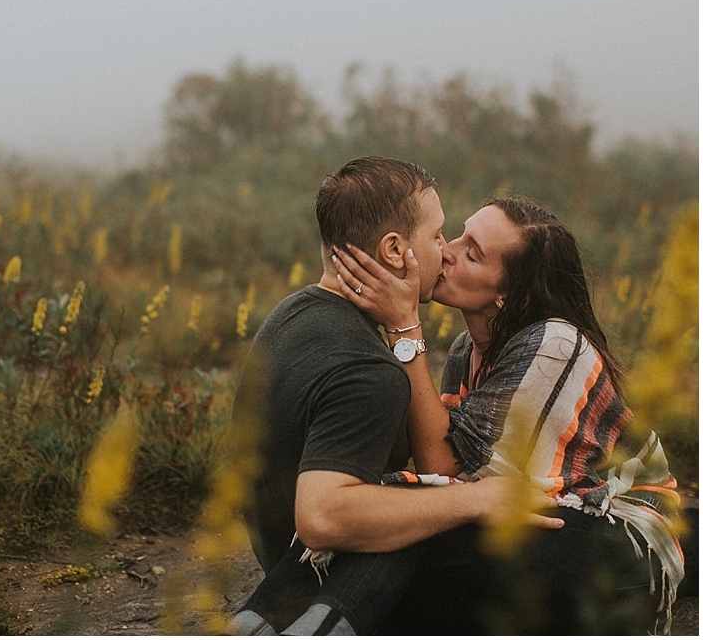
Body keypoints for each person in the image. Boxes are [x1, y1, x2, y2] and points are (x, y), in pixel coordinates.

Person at [323, 196, 691, 633]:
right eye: (456, 235)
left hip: (625, 538)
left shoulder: (555, 346)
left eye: (472, 253)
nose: (446, 250)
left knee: (421, 531)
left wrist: (404, 326)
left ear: (511, 294)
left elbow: (446, 470)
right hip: (544, 518)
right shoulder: (465, 351)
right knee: (411, 546)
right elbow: (450, 473)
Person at [227, 158, 561, 636]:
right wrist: (474, 498)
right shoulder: (371, 372)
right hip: (326, 577)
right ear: (394, 249)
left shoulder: (292, 315)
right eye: (437, 235)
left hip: (278, 559)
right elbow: (322, 517)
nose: (444, 251)